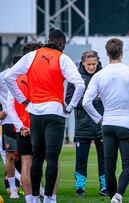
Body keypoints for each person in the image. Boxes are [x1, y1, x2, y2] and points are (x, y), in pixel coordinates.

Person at [5, 29, 85, 203]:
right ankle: (49, 199)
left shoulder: (31, 56)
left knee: (37, 158)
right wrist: (69, 107)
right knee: (52, 159)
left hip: (35, 113)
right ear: (62, 44)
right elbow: (79, 85)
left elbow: (9, 77)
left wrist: (24, 101)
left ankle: (33, 199)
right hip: (55, 113)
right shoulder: (63, 58)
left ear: (48, 40)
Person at [82, 38, 129, 203]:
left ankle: (114, 197)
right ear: (122, 52)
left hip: (108, 124)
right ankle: (118, 195)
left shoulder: (99, 75)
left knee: (109, 167)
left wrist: (99, 118)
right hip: (127, 124)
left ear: (106, 53)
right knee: (128, 165)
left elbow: (85, 102)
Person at [65, 50, 107, 197]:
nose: (91, 67)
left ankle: (104, 187)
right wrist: (90, 100)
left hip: (102, 125)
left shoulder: (104, 74)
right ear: (83, 63)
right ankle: (80, 188)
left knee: (104, 158)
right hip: (82, 126)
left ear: (98, 62)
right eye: (88, 64)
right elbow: (69, 100)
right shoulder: (75, 77)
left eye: (94, 64)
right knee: (81, 159)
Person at [6, 42, 44, 203]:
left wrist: (20, 125)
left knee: (28, 163)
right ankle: (46, 197)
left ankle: (32, 198)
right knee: (41, 162)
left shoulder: (16, 77)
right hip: (32, 126)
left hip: (21, 127)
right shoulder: (41, 77)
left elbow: (9, 104)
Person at [0, 58, 21, 199]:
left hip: (27, 123)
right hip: (8, 122)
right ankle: (12, 187)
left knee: (27, 157)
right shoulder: (3, 76)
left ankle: (32, 186)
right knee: (10, 156)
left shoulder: (30, 76)